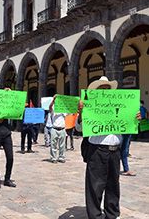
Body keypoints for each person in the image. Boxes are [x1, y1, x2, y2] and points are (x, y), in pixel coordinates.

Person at [76, 75, 141, 219]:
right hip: (97, 151)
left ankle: (112, 214)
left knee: (113, 185)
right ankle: (95, 216)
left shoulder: (119, 105)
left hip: (114, 151)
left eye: (107, 89)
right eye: (102, 89)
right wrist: (81, 113)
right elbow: (79, 128)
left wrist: (135, 118)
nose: (105, 91)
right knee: (95, 186)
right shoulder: (88, 105)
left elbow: (128, 126)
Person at [49, 95, 66, 163]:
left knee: (62, 145)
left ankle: (61, 157)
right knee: (53, 144)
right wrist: (53, 100)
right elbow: (50, 107)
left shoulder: (64, 109)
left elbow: (71, 110)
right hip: (54, 128)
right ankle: (53, 157)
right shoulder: (53, 108)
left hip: (62, 129)